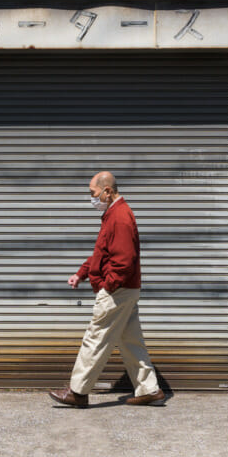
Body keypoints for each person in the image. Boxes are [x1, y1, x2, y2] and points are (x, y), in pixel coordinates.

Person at [48, 171, 165, 408]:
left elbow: (123, 260)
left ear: (107, 191)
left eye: (93, 193)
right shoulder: (113, 214)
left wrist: (107, 286)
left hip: (118, 290)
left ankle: (78, 391)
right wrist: (81, 273)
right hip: (126, 289)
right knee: (132, 342)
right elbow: (102, 254)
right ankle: (149, 389)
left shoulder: (120, 217)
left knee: (95, 337)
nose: (92, 199)